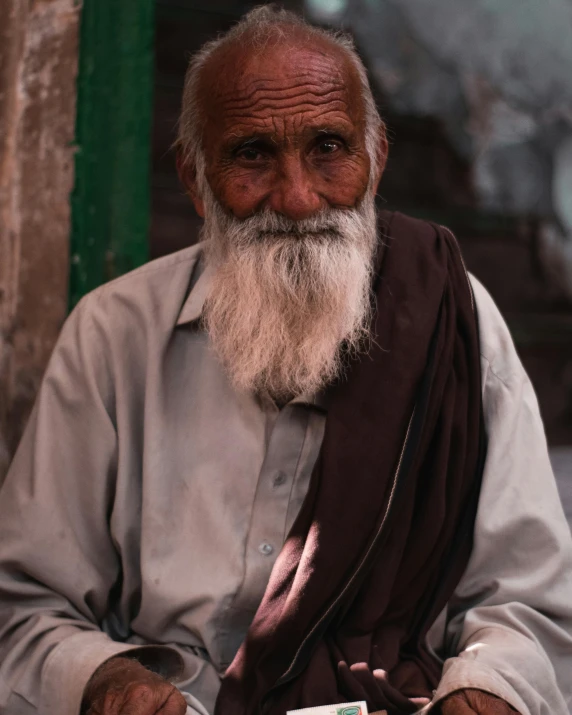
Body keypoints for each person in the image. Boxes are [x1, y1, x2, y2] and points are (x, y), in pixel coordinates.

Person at [0, 7, 571, 715]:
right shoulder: (114, 335)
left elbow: (529, 604)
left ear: (378, 157)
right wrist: (104, 680)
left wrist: (489, 689)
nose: (298, 198)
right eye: (252, 154)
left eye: (329, 147)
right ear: (192, 177)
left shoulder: (452, 316)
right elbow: (23, 608)